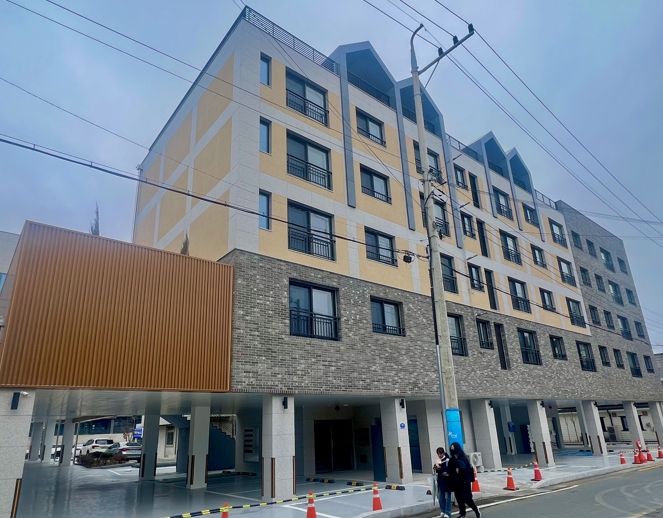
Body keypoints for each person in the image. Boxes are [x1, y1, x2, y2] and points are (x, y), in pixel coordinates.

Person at [448, 442, 481, 518]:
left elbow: (468, 470)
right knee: (459, 499)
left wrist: (464, 475)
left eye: (453, 448)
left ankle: (476, 509)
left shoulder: (463, 458)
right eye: (451, 448)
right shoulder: (451, 460)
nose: (452, 450)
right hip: (456, 482)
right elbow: (450, 470)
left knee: (467, 498)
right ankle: (462, 513)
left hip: (464, 482)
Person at [433, 446, 452, 518]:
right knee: (440, 497)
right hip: (440, 481)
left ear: (443, 453)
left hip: (447, 481)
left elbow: (448, 469)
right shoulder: (439, 460)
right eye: (438, 454)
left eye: (440, 453)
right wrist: (436, 467)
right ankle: (443, 511)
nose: (439, 455)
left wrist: (440, 468)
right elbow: (437, 470)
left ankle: (448, 512)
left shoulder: (447, 460)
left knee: (448, 497)